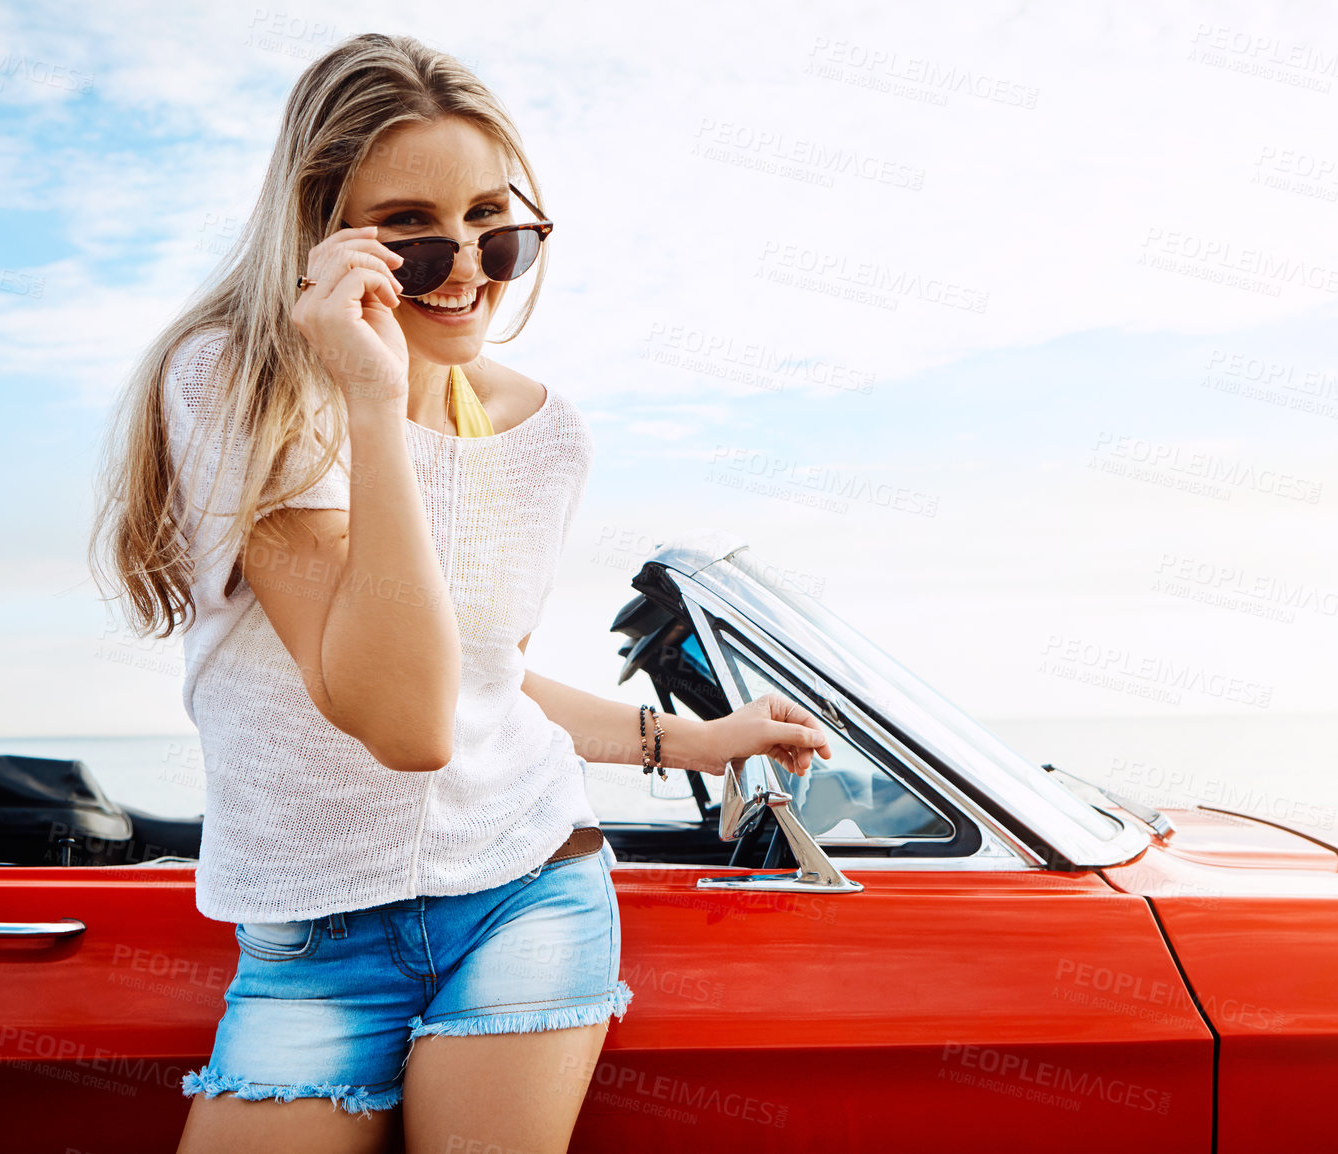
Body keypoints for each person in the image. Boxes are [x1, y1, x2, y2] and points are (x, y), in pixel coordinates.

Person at [88, 31, 830, 1154]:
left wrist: (699, 739)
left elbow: (481, 682)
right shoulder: (235, 384)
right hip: (312, 934)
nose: (469, 264)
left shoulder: (547, 434)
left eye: (498, 224)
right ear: (317, 228)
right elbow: (405, 721)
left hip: (527, 892)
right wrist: (373, 404)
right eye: (411, 234)